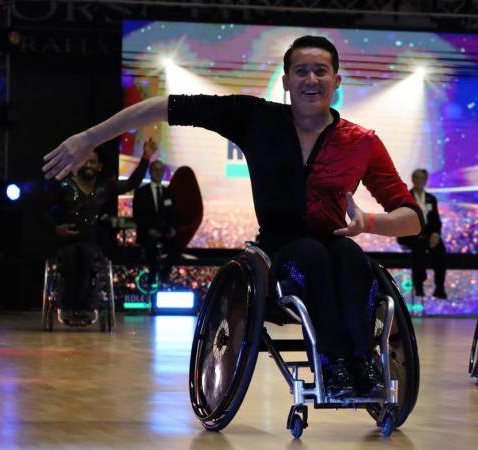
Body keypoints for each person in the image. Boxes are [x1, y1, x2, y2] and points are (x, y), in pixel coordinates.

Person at [42, 36, 423, 398]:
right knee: (310, 254)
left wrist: (369, 223)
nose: (311, 79)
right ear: (287, 80)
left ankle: (360, 363)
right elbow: (164, 107)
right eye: (301, 71)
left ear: (336, 81)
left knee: (351, 256)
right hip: (278, 253)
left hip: (335, 243)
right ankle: (334, 363)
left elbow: (412, 217)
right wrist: (90, 138)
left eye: (321, 71)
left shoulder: (361, 142)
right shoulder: (254, 117)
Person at [46, 140, 156, 317]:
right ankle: (69, 305)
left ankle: (86, 306)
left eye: (92, 162)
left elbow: (132, 183)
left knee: (88, 256)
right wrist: (57, 228)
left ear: (99, 167)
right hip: (66, 241)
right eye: (85, 161)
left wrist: (146, 157)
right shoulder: (64, 185)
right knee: (72, 257)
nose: (88, 165)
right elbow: (43, 210)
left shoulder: (104, 187)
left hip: (91, 241)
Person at [397, 169, 447, 299]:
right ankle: (419, 287)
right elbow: (402, 220)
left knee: (440, 250)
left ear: (426, 180)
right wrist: (415, 234)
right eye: (417, 178)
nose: (420, 181)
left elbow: (436, 220)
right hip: (410, 235)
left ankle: (439, 287)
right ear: (413, 179)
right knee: (418, 249)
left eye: (422, 178)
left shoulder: (431, 199)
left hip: (428, 235)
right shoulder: (406, 197)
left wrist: (436, 234)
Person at [133, 160, 180, 287]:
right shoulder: (141, 192)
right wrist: (148, 229)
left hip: (165, 231)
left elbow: (173, 214)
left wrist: (172, 229)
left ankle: (164, 275)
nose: (158, 172)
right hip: (147, 232)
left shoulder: (168, 192)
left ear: (164, 173)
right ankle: (152, 277)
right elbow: (137, 215)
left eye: (161, 170)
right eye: (155, 169)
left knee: (176, 247)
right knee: (151, 248)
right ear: (150, 172)